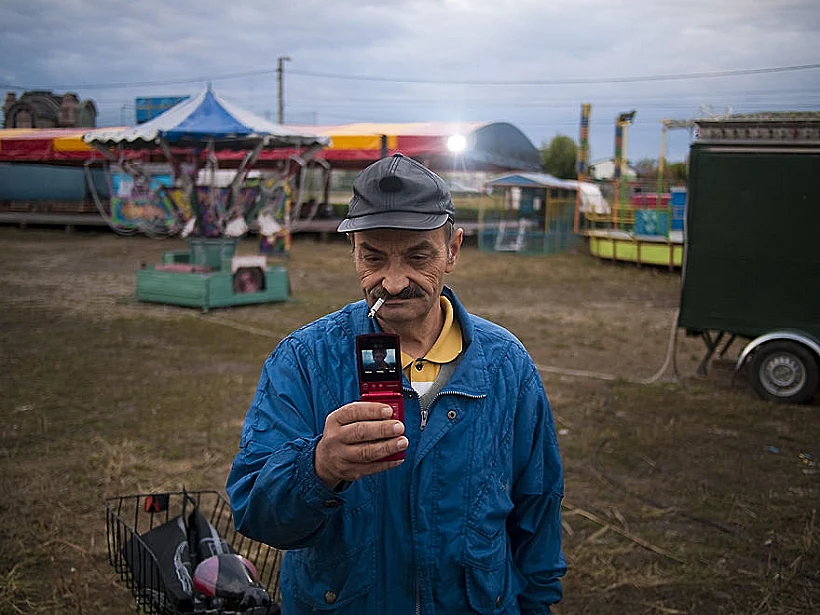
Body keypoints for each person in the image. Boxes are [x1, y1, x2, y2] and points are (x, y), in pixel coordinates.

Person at [226, 153, 566, 614]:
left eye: (418, 256)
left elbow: (537, 514)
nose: (393, 280)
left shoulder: (506, 365)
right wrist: (318, 467)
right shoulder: (304, 361)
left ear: (454, 250)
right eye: (373, 257)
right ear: (353, 253)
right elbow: (254, 512)